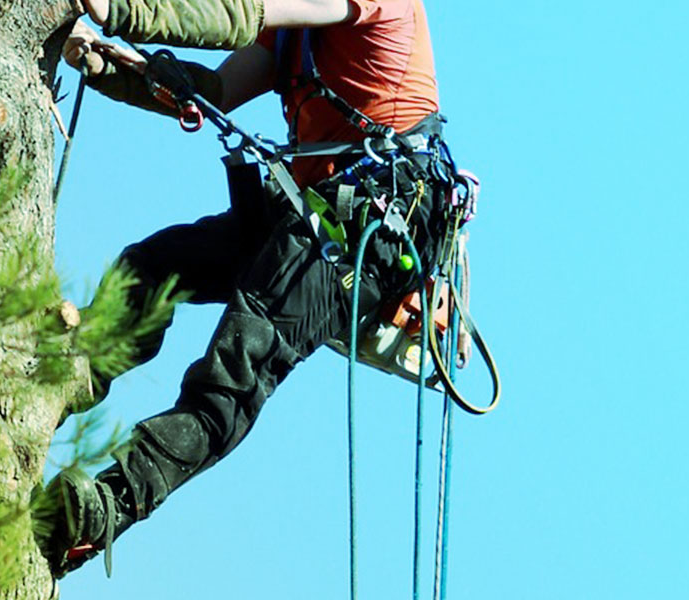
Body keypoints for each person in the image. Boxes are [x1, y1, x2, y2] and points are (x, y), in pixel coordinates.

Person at [41, 0, 456, 576]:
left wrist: (125, 9)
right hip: (306, 213)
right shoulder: (292, 40)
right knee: (155, 265)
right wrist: (116, 69)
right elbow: (214, 87)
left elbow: (237, 13)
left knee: (235, 369)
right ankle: (69, 372)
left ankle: (105, 509)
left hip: (371, 222)